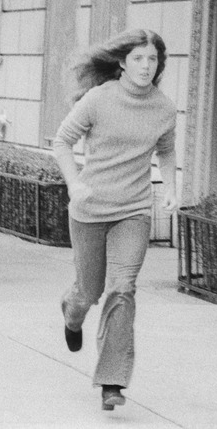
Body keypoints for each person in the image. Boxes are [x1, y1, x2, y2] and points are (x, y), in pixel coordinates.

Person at [52, 29, 178, 411]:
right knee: (88, 293)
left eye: (152, 59)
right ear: (122, 62)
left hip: (133, 211)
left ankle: (112, 380)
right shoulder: (98, 98)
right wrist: (74, 183)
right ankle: (72, 314)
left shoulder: (164, 108)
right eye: (138, 58)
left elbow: (167, 150)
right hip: (90, 209)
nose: (146, 66)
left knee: (122, 288)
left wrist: (171, 187)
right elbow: (62, 142)